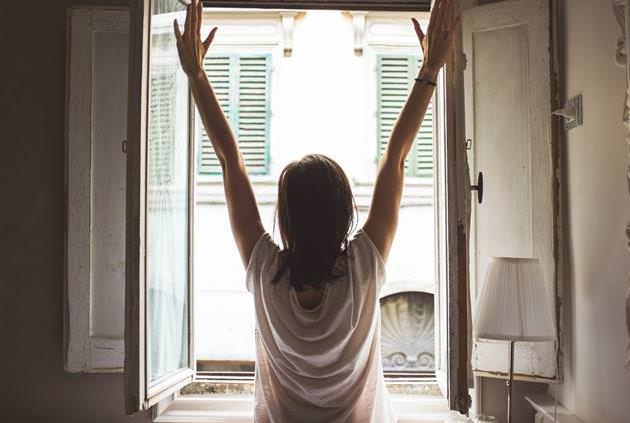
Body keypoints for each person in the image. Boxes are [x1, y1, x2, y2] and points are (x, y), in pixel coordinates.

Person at [174, 0, 457, 421]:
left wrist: (197, 75)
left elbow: (230, 158)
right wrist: (429, 69)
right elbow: (395, 158)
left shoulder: (265, 270)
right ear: (345, 213)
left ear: (285, 217)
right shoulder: (364, 266)